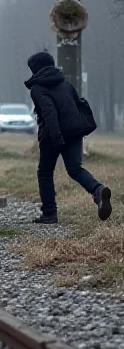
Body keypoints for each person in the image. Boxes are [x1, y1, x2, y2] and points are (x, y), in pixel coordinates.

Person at [25, 51, 112, 224]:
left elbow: (49, 112)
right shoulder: (64, 82)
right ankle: (98, 189)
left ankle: (49, 214)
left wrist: (56, 138)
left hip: (53, 134)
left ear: (35, 69)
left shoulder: (37, 88)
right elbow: (77, 104)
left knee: (45, 172)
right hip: (74, 132)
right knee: (74, 168)